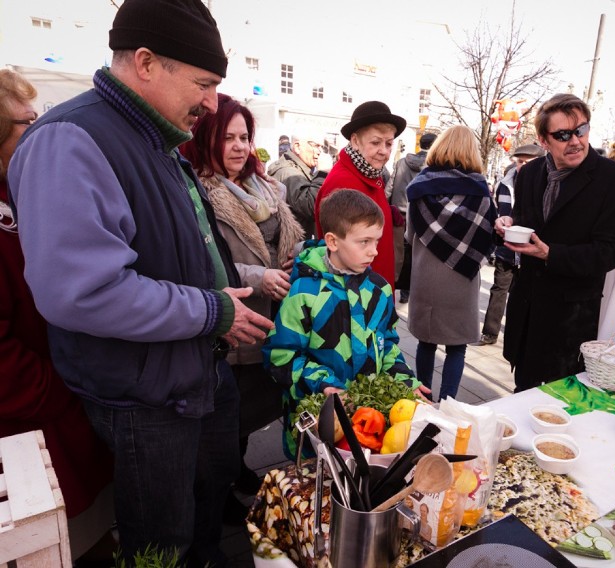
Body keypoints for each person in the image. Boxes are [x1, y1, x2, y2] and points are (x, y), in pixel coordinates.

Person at [8, 1, 273, 564]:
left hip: (191, 377)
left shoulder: (154, 138)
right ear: (147, 63)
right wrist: (211, 311)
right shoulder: (71, 140)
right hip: (146, 400)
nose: (211, 102)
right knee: (161, 545)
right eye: (203, 84)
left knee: (201, 525)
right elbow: (84, 292)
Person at [0, 69, 115, 562]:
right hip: (34, 432)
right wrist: (60, 389)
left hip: (60, 410)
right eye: (29, 122)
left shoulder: (18, 193)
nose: (41, 129)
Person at [180, 93, 304, 508]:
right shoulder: (198, 189)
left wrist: (293, 255)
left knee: (252, 404)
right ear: (206, 139)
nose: (238, 146)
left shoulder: (266, 187)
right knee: (227, 408)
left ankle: (237, 465)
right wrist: (261, 275)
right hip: (234, 312)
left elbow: (283, 241)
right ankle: (220, 483)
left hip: (273, 312)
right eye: (227, 137)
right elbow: (207, 260)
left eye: (244, 137)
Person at [264, 189, 428, 456]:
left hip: (368, 422)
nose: (374, 251)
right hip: (318, 424)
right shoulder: (304, 293)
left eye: (376, 241)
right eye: (363, 242)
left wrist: (404, 380)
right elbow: (281, 357)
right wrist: (322, 385)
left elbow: (388, 346)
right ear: (332, 241)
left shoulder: (380, 290)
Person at [496, 94, 615, 393]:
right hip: (528, 314)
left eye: (581, 130)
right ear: (543, 140)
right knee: (523, 396)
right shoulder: (529, 173)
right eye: (562, 135)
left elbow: (613, 250)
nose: (575, 141)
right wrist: (507, 223)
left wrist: (551, 254)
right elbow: (524, 220)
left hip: (571, 321)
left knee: (563, 406)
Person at [407, 126, 498, 401]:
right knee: (457, 348)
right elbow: (487, 237)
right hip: (462, 277)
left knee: (426, 341)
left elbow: (410, 235)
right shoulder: (480, 191)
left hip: (426, 276)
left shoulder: (419, 188)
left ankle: (423, 398)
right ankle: (448, 404)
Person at [314, 100, 407, 288]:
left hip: (375, 287)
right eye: (375, 142)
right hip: (359, 296)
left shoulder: (370, 173)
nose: (384, 151)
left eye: (389, 144)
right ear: (355, 141)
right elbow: (338, 256)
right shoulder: (342, 182)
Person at [473, 143, 545, 346]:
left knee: (523, 297)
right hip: (506, 249)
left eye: (527, 162)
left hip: (532, 251)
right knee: (499, 290)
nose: (522, 166)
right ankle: (490, 333)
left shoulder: (545, 183)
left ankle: (519, 336)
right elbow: (498, 211)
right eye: (520, 161)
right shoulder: (504, 184)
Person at [388, 132, 438, 303]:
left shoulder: (401, 162)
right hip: (420, 215)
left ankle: (395, 287)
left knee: (398, 254)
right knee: (417, 253)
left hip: (398, 214)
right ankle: (409, 291)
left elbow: (390, 187)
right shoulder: (433, 167)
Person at [267, 128, 332, 239]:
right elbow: (311, 207)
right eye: (315, 145)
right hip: (294, 248)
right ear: (297, 147)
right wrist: (322, 173)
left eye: (321, 147)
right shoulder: (287, 172)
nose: (319, 151)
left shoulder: (301, 169)